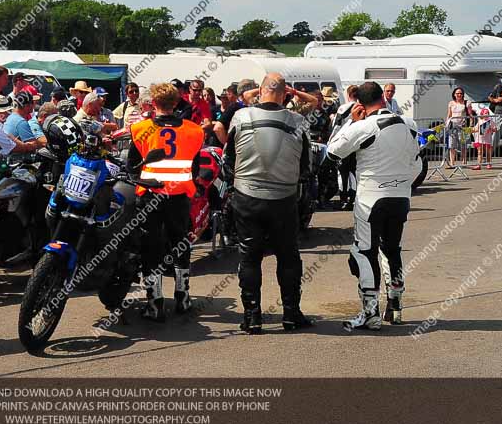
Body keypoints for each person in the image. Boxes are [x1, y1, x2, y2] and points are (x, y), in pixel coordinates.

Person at [223, 73, 312, 334]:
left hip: (247, 196)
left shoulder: (241, 117)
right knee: (288, 256)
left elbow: (229, 158)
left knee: (249, 257)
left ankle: (252, 317)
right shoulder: (298, 122)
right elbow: (306, 167)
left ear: (260, 91)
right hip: (283, 200)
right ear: (286, 94)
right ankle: (291, 314)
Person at [327, 82, 420, 330]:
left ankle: (370, 313)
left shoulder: (365, 126)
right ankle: (396, 306)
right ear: (383, 98)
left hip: (371, 199)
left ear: (359, 103)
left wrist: (350, 122)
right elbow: (416, 161)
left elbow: (333, 151)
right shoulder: (409, 124)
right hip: (401, 197)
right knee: (392, 249)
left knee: (364, 251)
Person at [128, 82, 204, 322]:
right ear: (176, 102)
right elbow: (195, 167)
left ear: (153, 103)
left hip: (150, 196)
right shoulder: (193, 131)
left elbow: (132, 167)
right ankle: (183, 298)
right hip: (180, 196)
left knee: (151, 248)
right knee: (180, 244)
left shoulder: (140, 129)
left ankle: (154, 304)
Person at [330, 85, 360, 211]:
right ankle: (353, 199)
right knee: (354, 172)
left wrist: (331, 141)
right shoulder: (361, 108)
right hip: (357, 145)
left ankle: (344, 200)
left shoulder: (343, 108)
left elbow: (336, 126)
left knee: (342, 174)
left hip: (344, 144)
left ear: (348, 94)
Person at [445, 87, 474, 168]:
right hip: (452, 125)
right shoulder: (451, 103)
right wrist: (446, 124)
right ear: (454, 94)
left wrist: (471, 126)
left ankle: (464, 162)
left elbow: (470, 115)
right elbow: (449, 114)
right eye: (457, 93)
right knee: (452, 145)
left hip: (462, 126)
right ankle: (452, 163)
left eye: (461, 93)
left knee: (463, 144)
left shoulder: (467, 103)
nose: (459, 95)